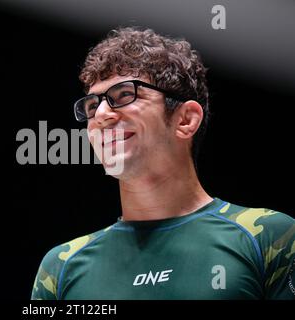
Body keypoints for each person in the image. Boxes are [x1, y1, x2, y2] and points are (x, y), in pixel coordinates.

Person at [31, 27, 295, 299]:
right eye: (91, 105)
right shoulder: (61, 267)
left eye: (124, 95)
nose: (100, 115)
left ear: (185, 120)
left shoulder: (269, 236)